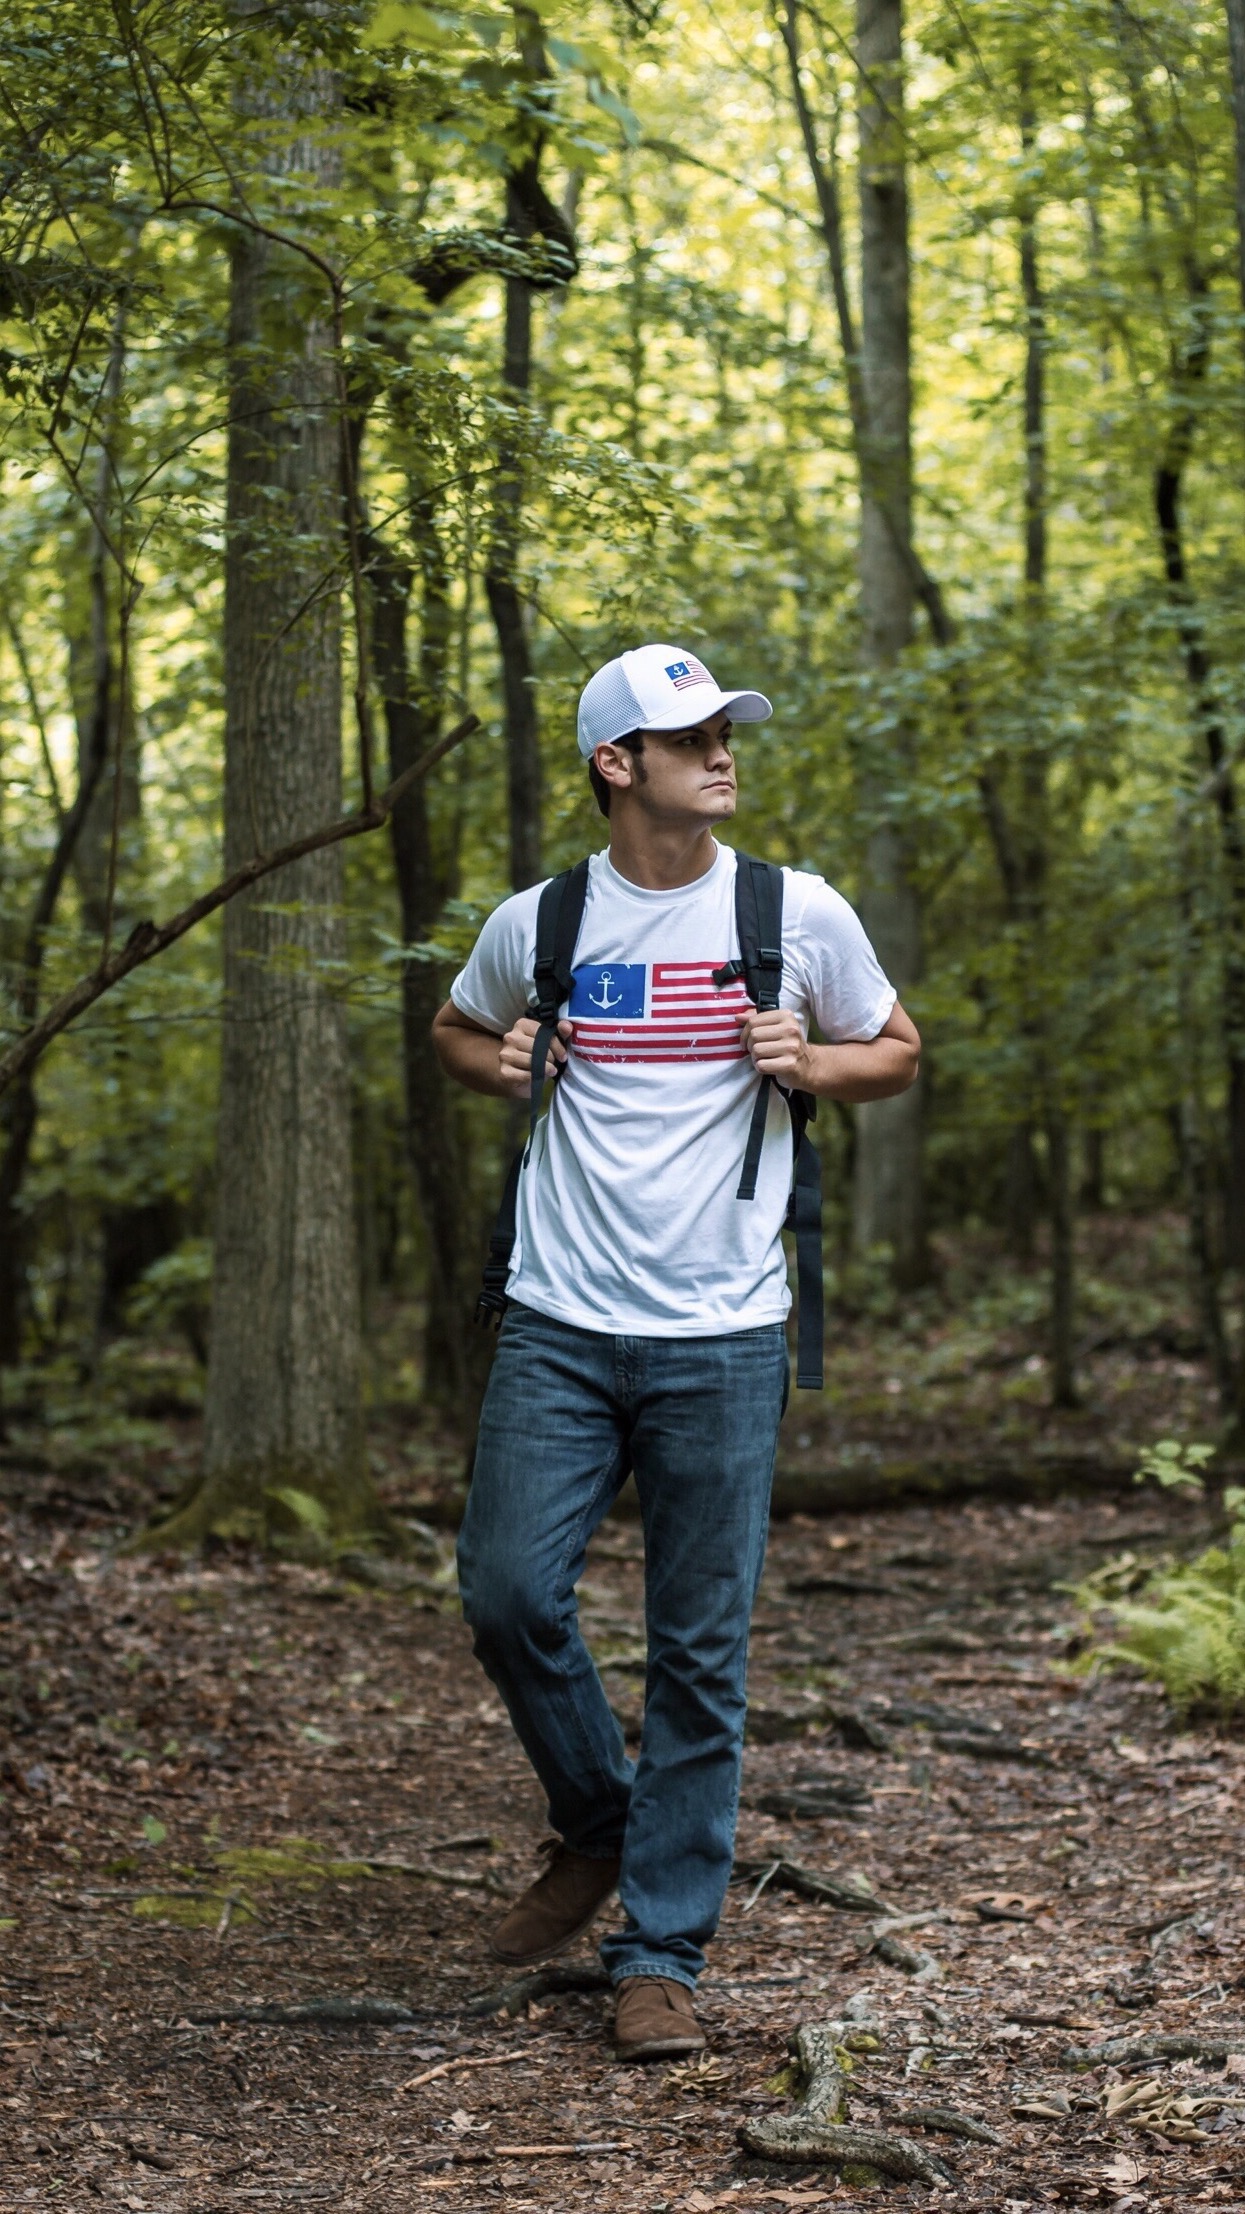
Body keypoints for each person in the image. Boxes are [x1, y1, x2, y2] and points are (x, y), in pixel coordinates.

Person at [432, 643, 920, 2060]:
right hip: (559, 1323)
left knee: (698, 1653)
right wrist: (504, 1060)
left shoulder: (791, 910)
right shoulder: (546, 920)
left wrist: (812, 1061)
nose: (720, 748)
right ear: (614, 763)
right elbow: (456, 1029)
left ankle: (661, 1950)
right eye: (687, 732)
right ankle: (597, 1817)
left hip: (723, 1334)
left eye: (725, 728)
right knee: (508, 1591)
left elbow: (895, 1046)